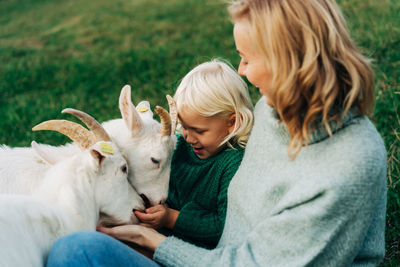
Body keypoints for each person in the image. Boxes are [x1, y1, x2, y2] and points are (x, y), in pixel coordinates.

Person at [46, 0, 387, 266]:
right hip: (208, 255)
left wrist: (157, 243)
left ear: (288, 61)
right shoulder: (275, 112)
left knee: (75, 252)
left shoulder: (347, 165)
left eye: (246, 58)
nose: (241, 70)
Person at [133, 59, 254, 249]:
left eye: (199, 131)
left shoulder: (234, 163)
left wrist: (170, 218)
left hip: (191, 250)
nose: (189, 138)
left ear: (232, 123)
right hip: (155, 232)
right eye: (184, 127)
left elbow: (224, 226)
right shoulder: (181, 145)